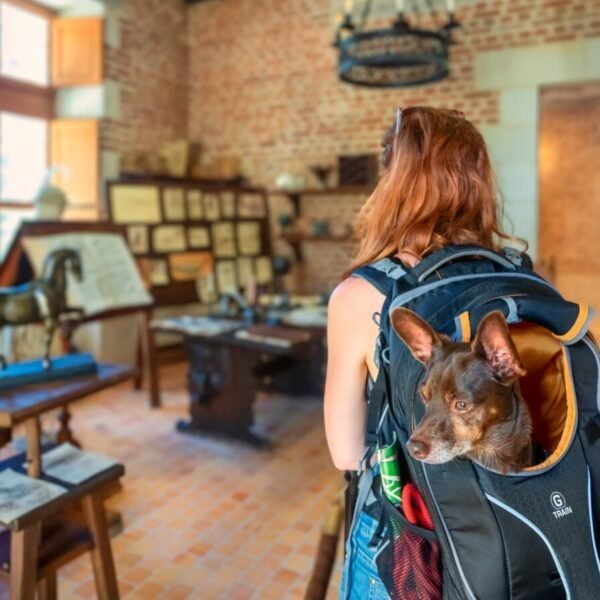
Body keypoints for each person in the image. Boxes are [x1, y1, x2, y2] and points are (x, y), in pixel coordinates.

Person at [324, 106, 523, 599]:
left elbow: (347, 453)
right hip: (517, 531)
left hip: (410, 545)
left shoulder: (361, 295)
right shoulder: (521, 273)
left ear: (394, 183)